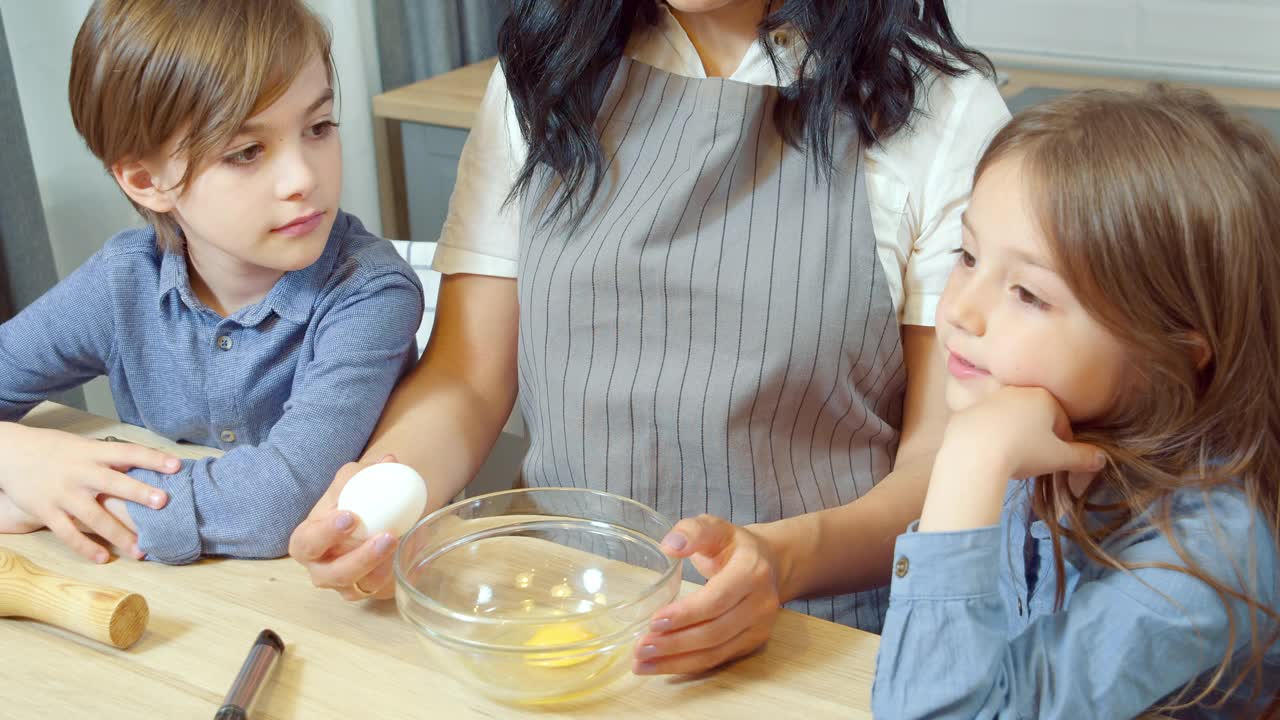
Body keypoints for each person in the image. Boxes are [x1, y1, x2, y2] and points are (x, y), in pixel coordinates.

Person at [290, 0, 1008, 674]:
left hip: (820, 640)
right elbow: (469, 379)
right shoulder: (548, 69)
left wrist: (784, 560)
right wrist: (382, 504)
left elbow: (946, 460)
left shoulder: (939, 110)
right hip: (552, 611)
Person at [872, 86, 1280, 718]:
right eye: (968, 255)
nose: (961, 310)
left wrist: (969, 460)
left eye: (1029, 294)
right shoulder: (1035, 431)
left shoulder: (1209, 553)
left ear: (1171, 349)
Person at [0, 0, 423, 566]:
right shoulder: (124, 278)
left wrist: (69, 498)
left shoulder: (369, 293)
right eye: (246, 152)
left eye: (318, 127)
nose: (303, 178)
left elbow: (279, 502)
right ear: (147, 180)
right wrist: (18, 457)